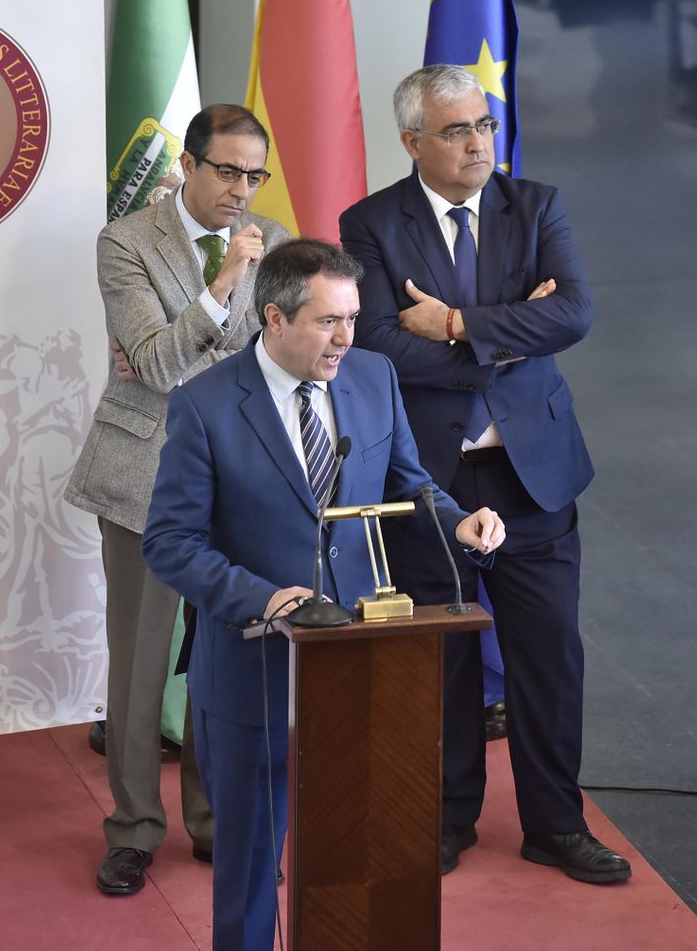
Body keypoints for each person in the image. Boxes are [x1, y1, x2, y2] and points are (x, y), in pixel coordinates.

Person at [142, 239, 505, 951]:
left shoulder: (373, 378)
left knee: (359, 861)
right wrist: (264, 598)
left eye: (353, 318)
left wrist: (460, 521)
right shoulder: (205, 406)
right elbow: (170, 544)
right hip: (255, 669)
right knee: (248, 872)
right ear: (273, 318)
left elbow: (407, 482)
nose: (346, 338)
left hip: (362, 658)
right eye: (327, 321)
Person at [339, 64, 626, 885]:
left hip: (533, 473)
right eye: (458, 130)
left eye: (486, 126)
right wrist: (507, 339)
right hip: (430, 476)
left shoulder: (535, 205)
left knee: (548, 658)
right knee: (442, 657)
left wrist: (460, 324)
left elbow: (572, 312)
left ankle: (556, 825)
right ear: (412, 141)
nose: (479, 143)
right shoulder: (369, 224)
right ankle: (443, 816)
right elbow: (377, 343)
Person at [62, 104, 289, 897]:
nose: (242, 190)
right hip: (141, 480)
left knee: (223, 659)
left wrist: (188, 343)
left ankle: (216, 821)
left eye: (254, 175)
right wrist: (227, 284)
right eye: (226, 171)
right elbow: (158, 369)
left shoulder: (279, 246)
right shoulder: (125, 243)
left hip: (237, 480)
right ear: (186, 167)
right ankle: (132, 830)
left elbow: (278, 362)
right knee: (142, 659)